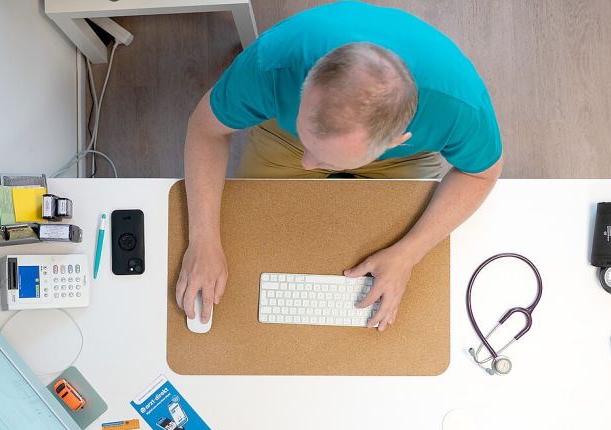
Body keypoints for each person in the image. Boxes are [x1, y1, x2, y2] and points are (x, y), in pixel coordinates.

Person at [175, 1, 503, 332]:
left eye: (325, 161)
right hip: (285, 137)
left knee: (407, 261)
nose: (307, 166)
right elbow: (205, 129)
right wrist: (203, 239)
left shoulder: (460, 107)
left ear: (395, 140)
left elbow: (481, 174)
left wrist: (409, 253)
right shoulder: (271, 64)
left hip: (404, 159)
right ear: (306, 86)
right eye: (310, 146)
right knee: (252, 230)